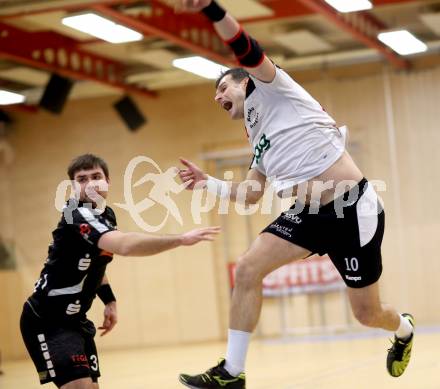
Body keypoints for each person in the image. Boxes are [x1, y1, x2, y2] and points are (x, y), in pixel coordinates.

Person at [175, 0, 414, 387]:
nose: (218, 98)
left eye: (222, 88)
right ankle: (232, 373)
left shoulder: (271, 86)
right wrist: (209, 184)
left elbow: (246, 47)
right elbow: (253, 194)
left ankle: (402, 329)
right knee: (249, 269)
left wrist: (212, 10)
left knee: (367, 315)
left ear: (244, 80)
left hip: (352, 210)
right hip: (307, 215)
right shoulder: (256, 133)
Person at [20, 153, 220, 389]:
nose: (91, 183)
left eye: (96, 176)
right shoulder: (76, 213)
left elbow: (98, 262)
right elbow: (124, 245)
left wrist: (109, 300)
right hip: (48, 319)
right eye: (82, 179)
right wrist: (180, 239)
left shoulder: (106, 214)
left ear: (108, 181)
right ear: (72, 186)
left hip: (75, 321)